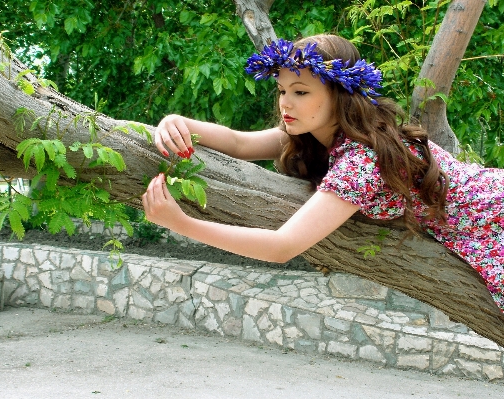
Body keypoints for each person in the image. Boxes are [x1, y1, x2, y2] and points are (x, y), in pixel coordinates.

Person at [141, 34, 504, 312]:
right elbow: (238, 143)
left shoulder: (363, 160)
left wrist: (181, 223)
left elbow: (282, 246)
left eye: (300, 91)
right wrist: (176, 122)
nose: (285, 102)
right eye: (282, 90)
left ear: (341, 94)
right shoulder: (317, 136)